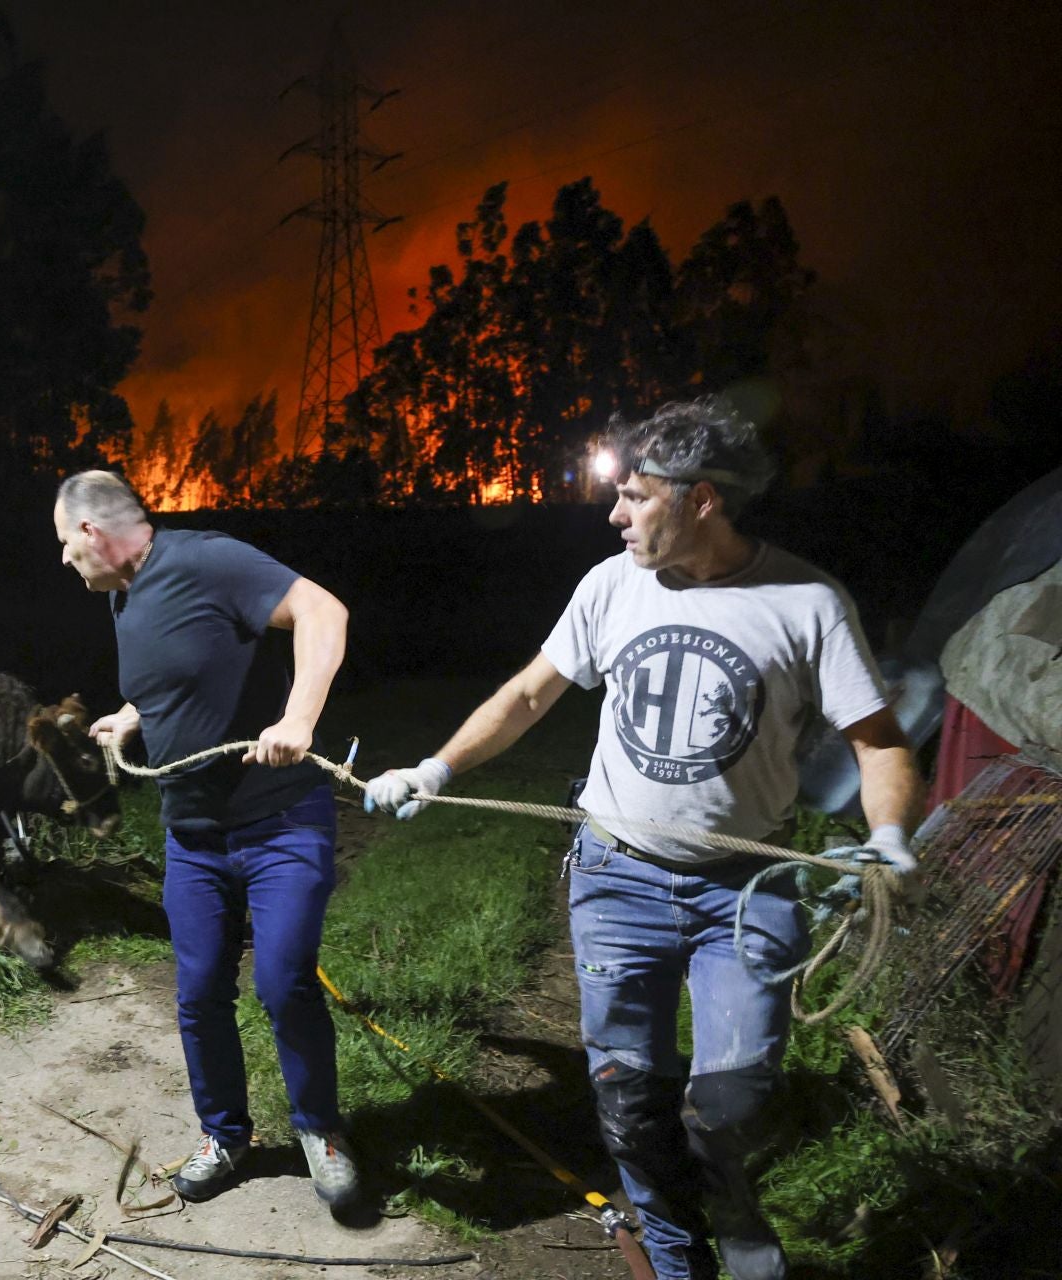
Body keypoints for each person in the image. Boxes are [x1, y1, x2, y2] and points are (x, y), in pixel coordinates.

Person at [362, 398, 922, 1280]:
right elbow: (528, 696)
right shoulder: (609, 585)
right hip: (615, 880)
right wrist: (435, 769)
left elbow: (878, 741)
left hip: (745, 890)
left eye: (634, 496)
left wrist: (889, 835)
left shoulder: (808, 603)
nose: (614, 515)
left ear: (701, 500)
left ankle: (734, 1215)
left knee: (729, 1102)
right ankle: (671, 1251)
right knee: (628, 1097)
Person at [52, 470, 359, 1207]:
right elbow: (184, 673)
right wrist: (134, 715)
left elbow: (323, 609)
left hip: (280, 820)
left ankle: (321, 1130)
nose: (65, 560)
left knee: (284, 983)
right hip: (193, 836)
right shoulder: (124, 596)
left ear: (94, 532)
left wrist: (298, 719)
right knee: (198, 996)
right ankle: (226, 1135)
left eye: (66, 544)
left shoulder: (206, 559)